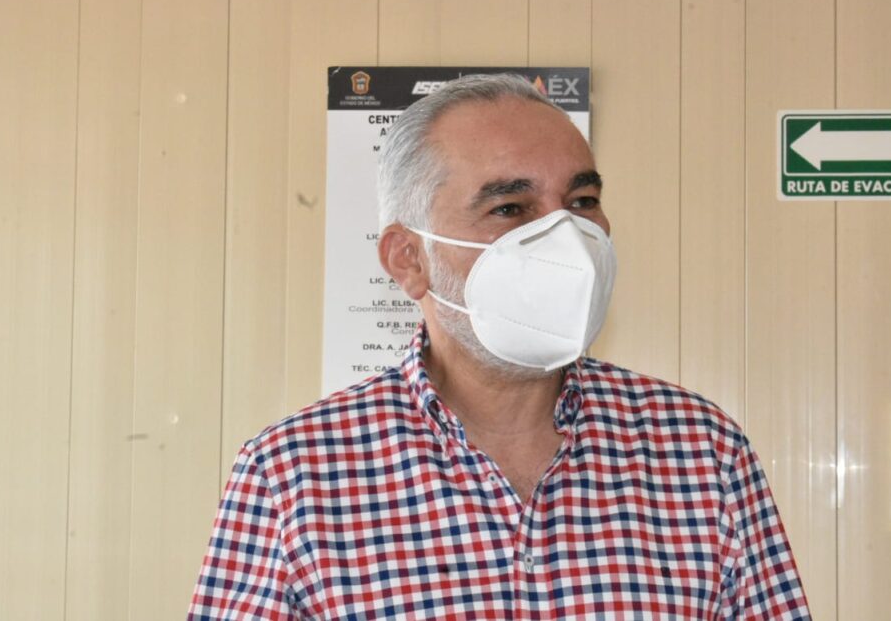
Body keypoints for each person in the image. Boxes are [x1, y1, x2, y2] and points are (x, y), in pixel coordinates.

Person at [188, 74, 810, 619]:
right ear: (408, 260)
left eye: (582, 202)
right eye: (511, 207)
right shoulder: (292, 476)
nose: (565, 237)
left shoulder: (702, 452)